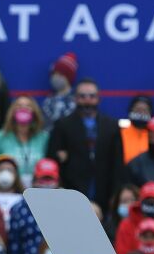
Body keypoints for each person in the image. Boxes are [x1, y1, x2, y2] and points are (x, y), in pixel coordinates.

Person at [47, 78, 124, 213]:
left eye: (92, 96)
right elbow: (52, 160)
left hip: (104, 193)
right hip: (71, 193)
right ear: (75, 99)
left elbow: (118, 163)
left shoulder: (111, 126)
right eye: (82, 96)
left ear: (98, 99)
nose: (87, 100)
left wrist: (116, 194)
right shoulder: (62, 125)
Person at [0, 96, 49, 184]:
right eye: (19, 106)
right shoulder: (0, 136)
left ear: (34, 112)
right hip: (9, 190)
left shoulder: (43, 137)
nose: (23, 108)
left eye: (28, 106)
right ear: (12, 111)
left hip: (37, 190)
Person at [40, 52, 78, 131]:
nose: (56, 77)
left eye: (60, 74)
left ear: (68, 77)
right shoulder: (48, 101)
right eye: (54, 74)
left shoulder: (76, 101)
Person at [120, 95, 154, 164]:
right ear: (130, 111)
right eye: (137, 109)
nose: (141, 113)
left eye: (144, 110)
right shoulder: (120, 134)